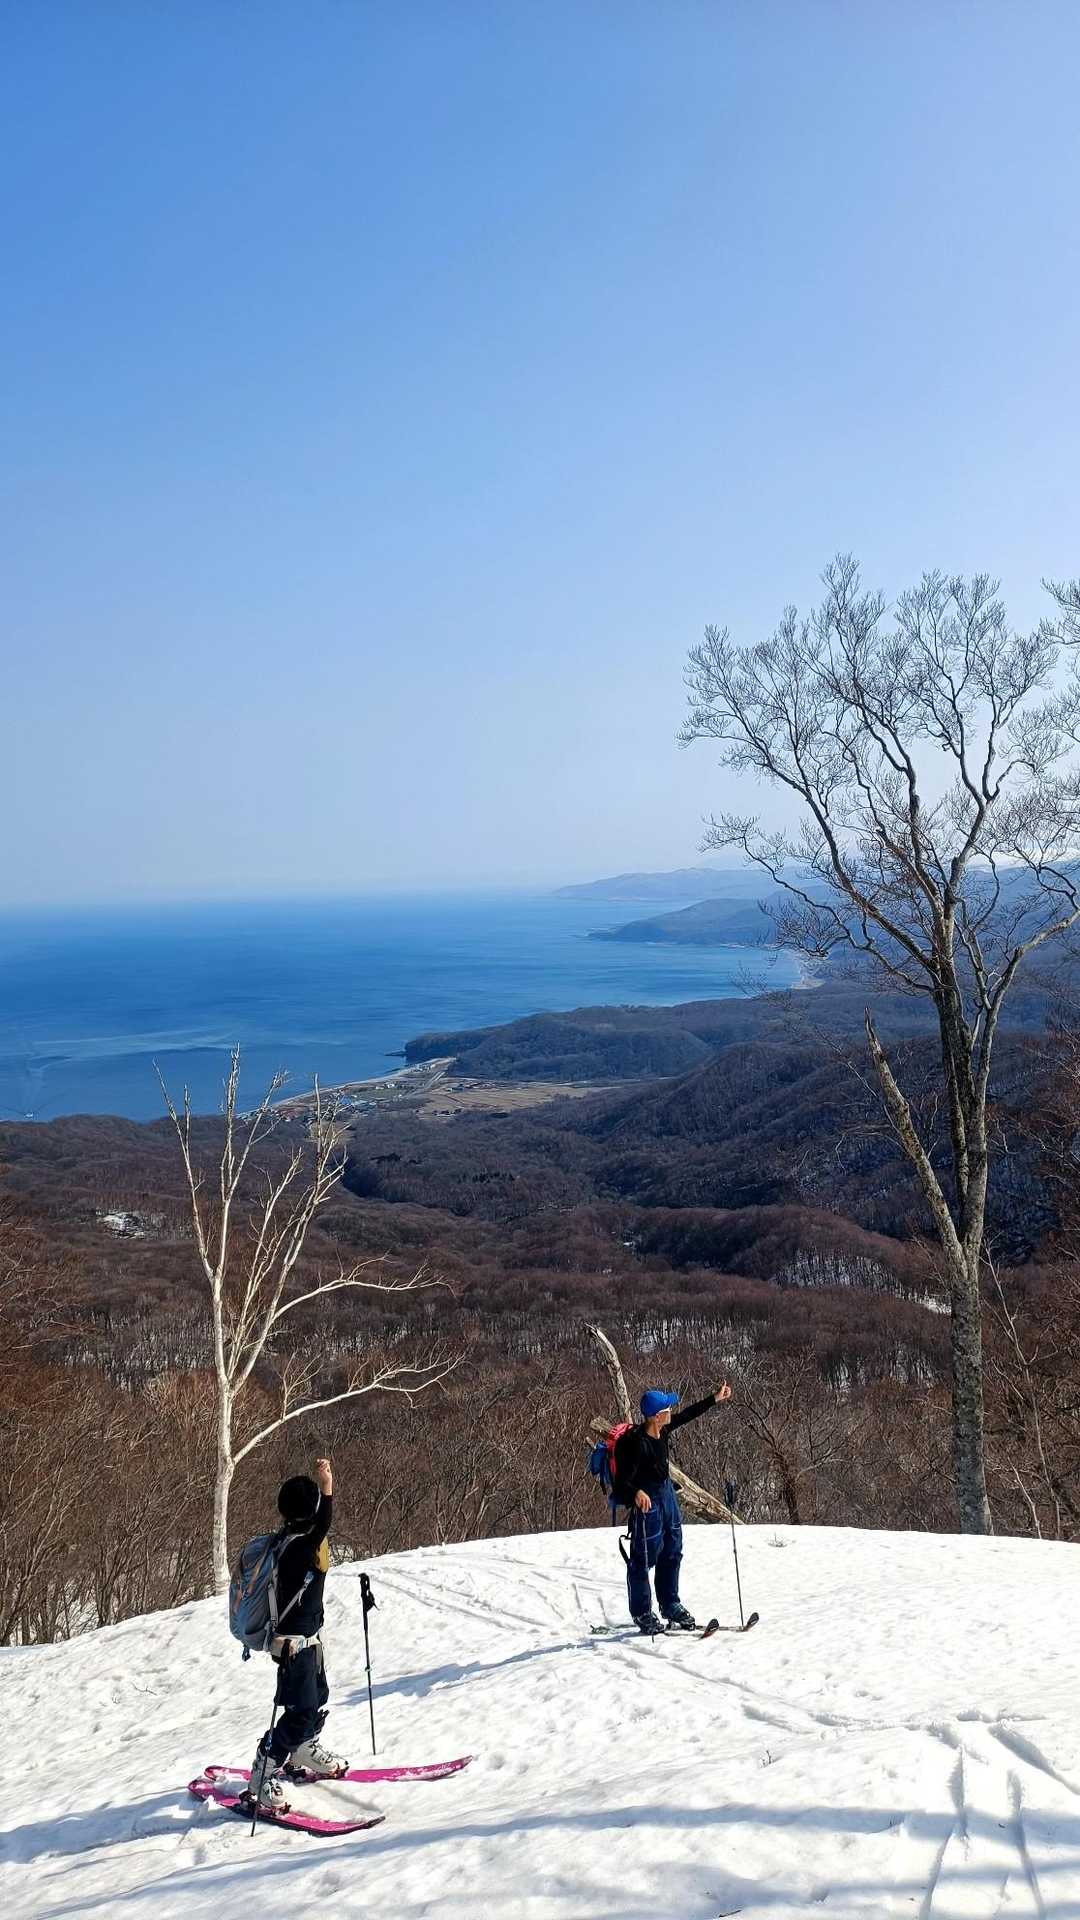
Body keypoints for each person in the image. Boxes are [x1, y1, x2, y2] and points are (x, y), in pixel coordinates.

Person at [250, 1455, 348, 1812]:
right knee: (299, 1713)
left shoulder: (290, 1540)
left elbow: (319, 1523)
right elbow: (324, 1522)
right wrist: (327, 1486)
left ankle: (302, 1749)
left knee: (317, 1697)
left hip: (309, 1641)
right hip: (294, 1648)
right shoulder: (300, 1548)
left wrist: (322, 1490)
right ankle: (263, 1772)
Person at [619, 1383, 733, 1634]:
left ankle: (670, 1604)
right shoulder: (635, 1443)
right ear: (655, 1416)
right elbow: (622, 1482)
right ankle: (641, 1612)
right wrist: (636, 1492)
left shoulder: (664, 1430)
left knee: (672, 1550)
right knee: (643, 1557)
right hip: (648, 1504)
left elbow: (688, 1414)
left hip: (666, 1496)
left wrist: (714, 1398)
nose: (671, 1411)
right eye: (667, 1409)